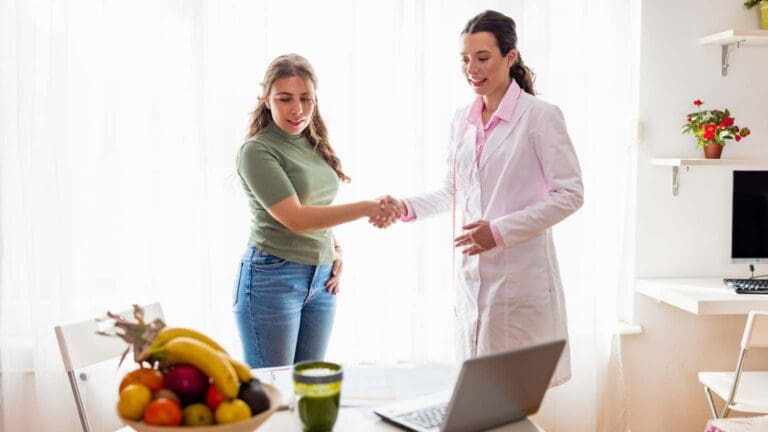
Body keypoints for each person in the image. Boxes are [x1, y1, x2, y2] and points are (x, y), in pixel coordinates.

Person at [377, 10, 583, 386]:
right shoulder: (462, 120)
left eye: (483, 58)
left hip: (520, 282)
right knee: (479, 395)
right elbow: (454, 191)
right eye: (465, 59)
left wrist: (499, 231)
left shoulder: (540, 117)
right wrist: (404, 207)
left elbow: (570, 194)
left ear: (510, 57)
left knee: (513, 397)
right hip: (474, 281)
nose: (472, 69)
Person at [235, 54, 400, 368]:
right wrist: (367, 208)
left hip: (322, 280)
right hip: (273, 278)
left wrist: (332, 247)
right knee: (275, 388)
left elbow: (317, 207)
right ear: (266, 100)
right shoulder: (257, 150)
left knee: (309, 385)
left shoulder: (312, 143)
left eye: (306, 98)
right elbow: (296, 218)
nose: (297, 109)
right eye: (285, 99)